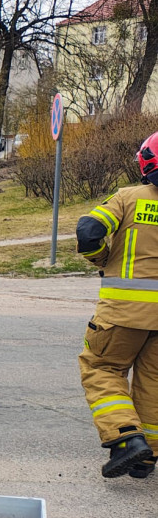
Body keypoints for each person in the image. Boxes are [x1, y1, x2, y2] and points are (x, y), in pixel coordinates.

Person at [75, 131, 158, 479]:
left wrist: (103, 260)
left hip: (123, 311)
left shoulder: (129, 198)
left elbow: (88, 230)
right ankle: (146, 457)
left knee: (102, 369)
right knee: (153, 383)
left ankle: (126, 439)